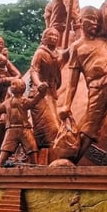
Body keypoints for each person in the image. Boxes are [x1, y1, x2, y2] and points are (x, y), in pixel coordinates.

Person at [59, 5, 107, 165]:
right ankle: (71, 161)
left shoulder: (105, 40)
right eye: (90, 19)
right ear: (81, 20)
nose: (94, 23)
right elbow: (72, 81)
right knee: (89, 129)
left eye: (96, 20)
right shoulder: (77, 48)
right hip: (96, 90)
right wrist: (66, 104)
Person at [28, 28, 63, 164]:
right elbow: (34, 70)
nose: (53, 37)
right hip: (39, 94)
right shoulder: (40, 53)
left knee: (54, 128)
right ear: (44, 38)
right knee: (51, 128)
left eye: (56, 35)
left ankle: (45, 160)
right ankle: (38, 160)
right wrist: (38, 84)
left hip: (51, 94)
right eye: (50, 35)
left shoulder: (57, 54)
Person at [0, 80, 49, 166]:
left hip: (24, 128)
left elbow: (33, 102)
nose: (12, 86)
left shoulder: (24, 101)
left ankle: (35, 165)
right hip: (11, 129)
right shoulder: (7, 102)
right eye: (12, 84)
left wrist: (41, 93)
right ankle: (0, 164)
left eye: (15, 84)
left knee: (32, 147)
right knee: (5, 148)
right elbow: (0, 109)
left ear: (22, 87)